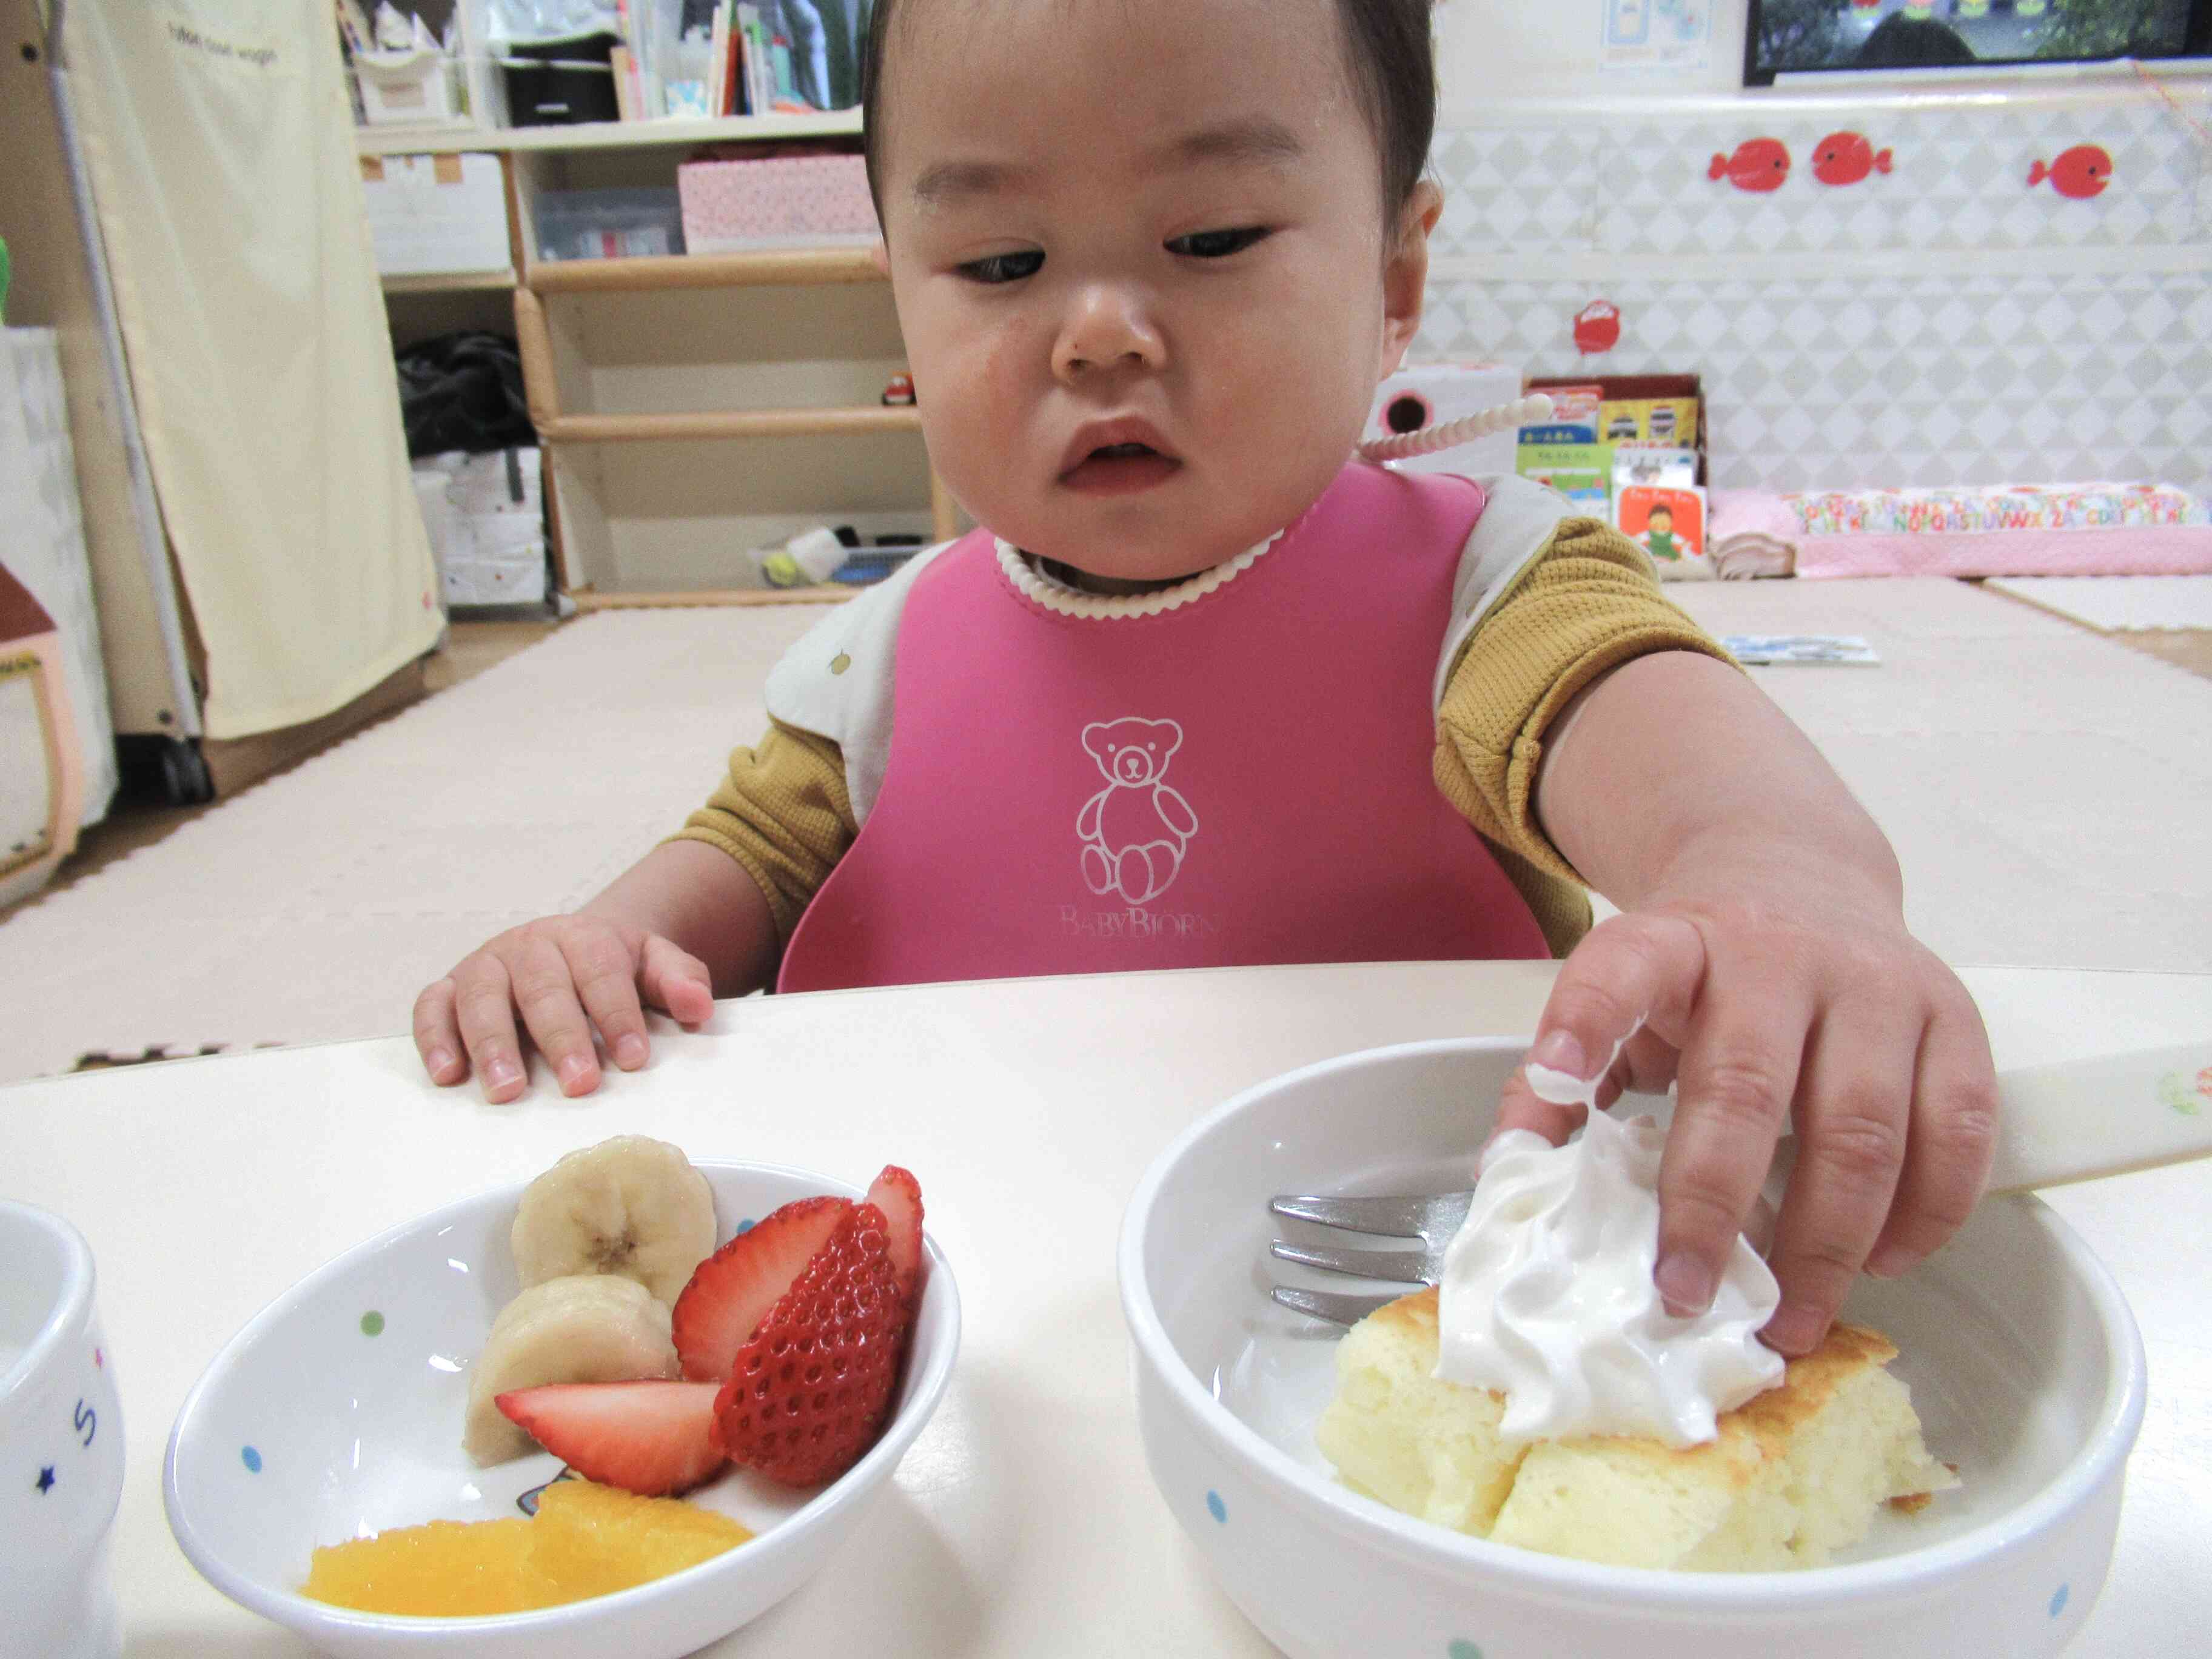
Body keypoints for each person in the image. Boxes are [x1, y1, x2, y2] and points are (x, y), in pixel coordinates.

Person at [413, 0, 1997, 1362]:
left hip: (1380, 1292)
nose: (1098, 333)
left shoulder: (1485, 595)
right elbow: (746, 865)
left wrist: (1770, 872)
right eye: (1000, 259)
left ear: (1395, 278)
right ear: (895, 290)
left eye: (1213, 239)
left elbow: (1670, 738)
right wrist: (599, 947)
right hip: (928, 1300)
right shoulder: (883, 652)